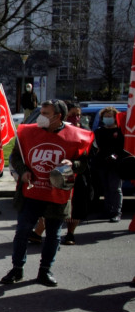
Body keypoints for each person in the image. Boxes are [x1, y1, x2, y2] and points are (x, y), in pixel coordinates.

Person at [1, 100, 93, 287]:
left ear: (58, 117)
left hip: (56, 195)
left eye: (45, 113)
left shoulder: (75, 136)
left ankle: (45, 271)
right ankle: (17, 268)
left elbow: (83, 164)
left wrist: (73, 164)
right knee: (22, 232)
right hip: (31, 192)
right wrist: (23, 170)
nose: (41, 116)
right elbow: (16, 157)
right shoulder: (27, 132)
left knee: (53, 235)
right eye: (41, 112)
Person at [61, 103, 92, 245]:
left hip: (78, 173)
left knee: (76, 206)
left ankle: (70, 233)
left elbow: (86, 157)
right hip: (59, 173)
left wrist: (74, 165)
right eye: (72, 114)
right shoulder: (58, 130)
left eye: (78, 114)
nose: (76, 118)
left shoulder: (85, 132)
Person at [93, 106, 124, 223]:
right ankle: (108, 211)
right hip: (102, 163)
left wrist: (115, 156)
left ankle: (117, 212)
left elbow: (122, 148)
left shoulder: (120, 131)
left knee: (115, 188)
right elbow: (96, 146)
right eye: (106, 116)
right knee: (105, 188)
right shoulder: (99, 131)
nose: (108, 118)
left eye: (110, 116)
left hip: (116, 164)